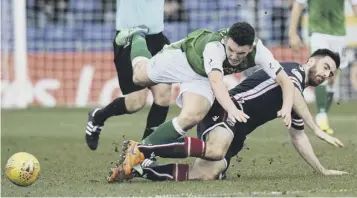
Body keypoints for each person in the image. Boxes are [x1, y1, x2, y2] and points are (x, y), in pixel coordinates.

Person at [106, 49, 347, 183]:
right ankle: (142, 150)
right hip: (226, 111)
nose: (327, 74)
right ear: (311, 61)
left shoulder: (297, 97)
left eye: (331, 73)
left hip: (236, 132)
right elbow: (291, 90)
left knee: (209, 172)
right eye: (326, 67)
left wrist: (321, 170)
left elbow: (298, 137)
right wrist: (316, 128)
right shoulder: (293, 71)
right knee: (216, 151)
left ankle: (139, 170)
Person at [113, 22, 295, 152]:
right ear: (226, 41)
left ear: (250, 48)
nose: (233, 56)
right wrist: (231, 109)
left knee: (192, 116)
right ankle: (137, 35)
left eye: (240, 53)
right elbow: (216, 83)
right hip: (180, 59)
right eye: (230, 50)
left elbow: (285, 81)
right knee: (138, 77)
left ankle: (139, 152)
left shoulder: (260, 51)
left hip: (200, 76)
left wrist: (286, 107)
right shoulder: (214, 46)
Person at [85, 0, 172, 150]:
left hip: (157, 38)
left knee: (163, 95)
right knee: (136, 102)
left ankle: (145, 152)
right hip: (129, 37)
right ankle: (99, 116)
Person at [289, 0, 357, 134]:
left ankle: (323, 112)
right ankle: (321, 115)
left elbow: (355, 6)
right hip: (317, 32)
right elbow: (298, 5)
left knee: (332, 77)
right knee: (319, 69)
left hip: (339, 34)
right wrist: (292, 33)